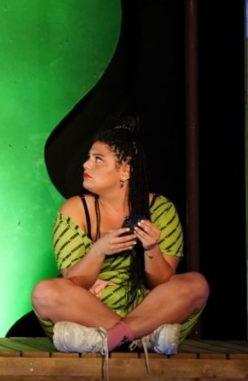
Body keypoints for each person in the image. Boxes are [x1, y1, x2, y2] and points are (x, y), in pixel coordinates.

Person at [30, 118, 209, 356]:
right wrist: (98, 250)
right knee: (45, 292)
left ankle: (101, 339)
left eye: (98, 159)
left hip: (149, 310)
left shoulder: (160, 209)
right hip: (91, 312)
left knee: (196, 285)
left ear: (125, 170)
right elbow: (74, 281)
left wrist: (152, 249)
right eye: (89, 157)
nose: (86, 164)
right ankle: (142, 338)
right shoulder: (76, 209)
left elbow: (162, 283)